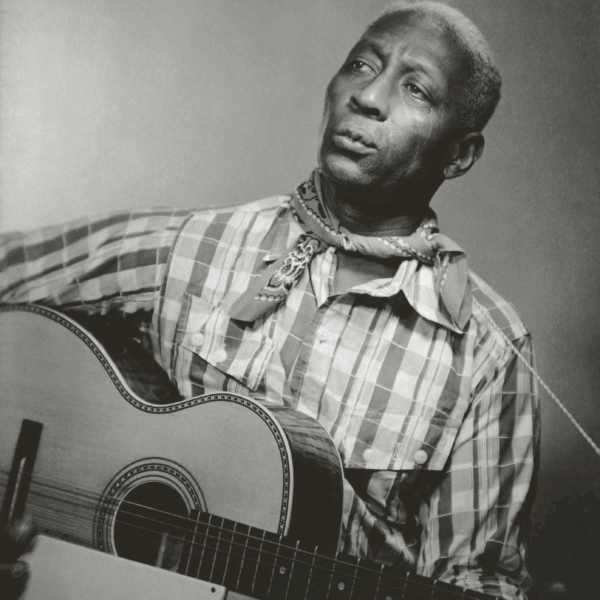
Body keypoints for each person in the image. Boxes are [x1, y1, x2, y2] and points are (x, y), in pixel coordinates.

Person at [0, 2, 540, 599]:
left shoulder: (488, 349)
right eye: (362, 64)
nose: (368, 96)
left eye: (414, 88)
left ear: (459, 155)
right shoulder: (193, 246)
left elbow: (476, 581)